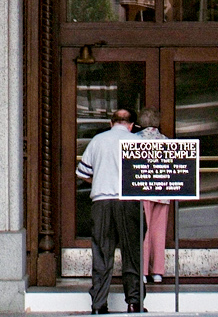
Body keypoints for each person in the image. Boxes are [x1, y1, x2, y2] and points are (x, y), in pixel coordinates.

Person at [76, 108, 143, 315]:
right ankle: (134, 303)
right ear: (131, 125)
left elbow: (82, 172)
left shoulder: (97, 140)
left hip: (102, 202)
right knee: (132, 253)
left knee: (102, 254)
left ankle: (98, 304)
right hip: (129, 202)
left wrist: (101, 179)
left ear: (111, 122)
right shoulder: (137, 142)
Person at [135, 108, 170, 284]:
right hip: (163, 191)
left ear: (140, 122)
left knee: (143, 231)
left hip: (142, 190)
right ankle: (157, 272)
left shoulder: (135, 140)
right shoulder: (165, 141)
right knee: (158, 231)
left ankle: (142, 271)